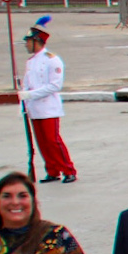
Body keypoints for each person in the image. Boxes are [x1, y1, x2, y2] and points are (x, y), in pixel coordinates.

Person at [19, 16, 77, 184]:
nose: (26, 45)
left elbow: (54, 86)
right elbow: (27, 83)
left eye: (29, 41)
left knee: (53, 141)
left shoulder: (52, 60)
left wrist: (31, 94)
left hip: (48, 107)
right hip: (34, 108)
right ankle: (52, 170)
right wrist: (24, 95)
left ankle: (68, 169)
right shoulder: (30, 62)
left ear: (37, 41)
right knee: (42, 143)